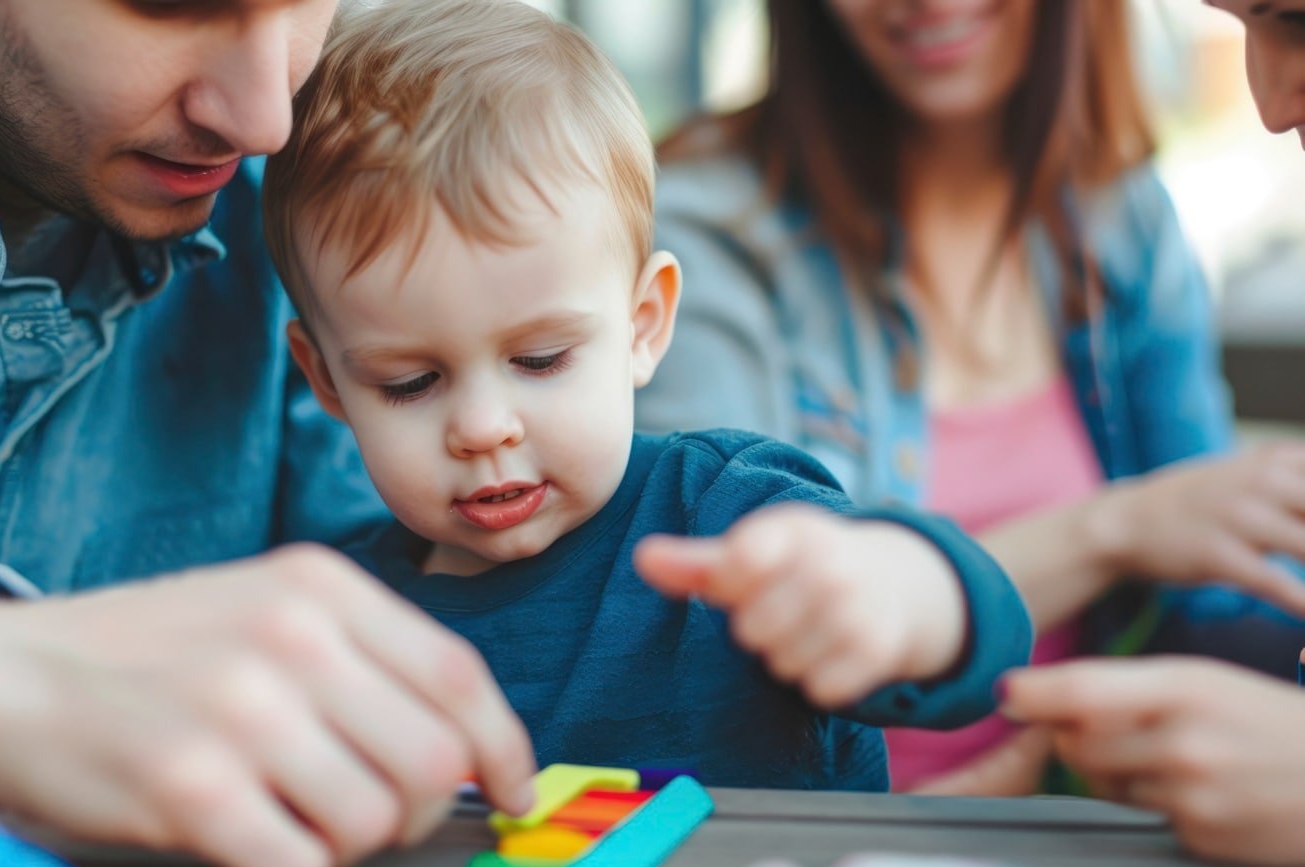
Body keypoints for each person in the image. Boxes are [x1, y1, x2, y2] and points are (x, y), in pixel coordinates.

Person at [0, 0, 537, 867]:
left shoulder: (314, 212)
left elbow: (459, 598)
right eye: (176, 5)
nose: (266, 120)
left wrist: (728, 533)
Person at [261, 0, 1032, 790]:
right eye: (410, 383)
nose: (483, 428)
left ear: (643, 324)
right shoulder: (336, 622)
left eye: (540, 359)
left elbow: (991, 650)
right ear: (325, 377)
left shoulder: (729, 520)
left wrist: (908, 596)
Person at [637, 0, 1305, 794]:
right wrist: (1112, 530)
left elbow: (1214, 598)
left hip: (1090, 827)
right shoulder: (707, 234)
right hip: (836, 844)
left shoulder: (1118, 215)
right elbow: (739, 648)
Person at [989, 0, 1305, 867]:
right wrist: (1116, 531)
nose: (1270, 105)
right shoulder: (730, 236)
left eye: (1296, 18)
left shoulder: (1117, 216)